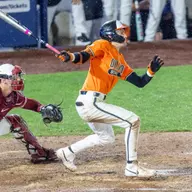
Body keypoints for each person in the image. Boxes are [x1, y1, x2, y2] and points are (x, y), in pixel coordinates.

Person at [56, 20, 164, 177]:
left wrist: (151, 72)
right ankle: (131, 167)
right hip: (90, 102)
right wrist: (70, 56)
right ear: (110, 34)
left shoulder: (120, 60)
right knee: (133, 121)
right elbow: (83, 56)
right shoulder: (102, 45)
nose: (124, 34)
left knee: (106, 138)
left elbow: (139, 82)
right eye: (120, 32)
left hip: (94, 103)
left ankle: (68, 152)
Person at [0, 63, 59, 164]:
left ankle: (38, 152)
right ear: (4, 80)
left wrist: (42, 108)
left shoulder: (14, 96)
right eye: (14, 77)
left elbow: (31, 104)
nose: (18, 80)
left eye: (18, 76)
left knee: (16, 121)